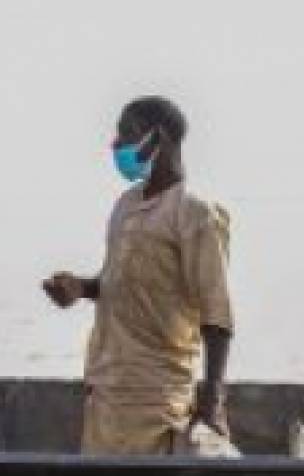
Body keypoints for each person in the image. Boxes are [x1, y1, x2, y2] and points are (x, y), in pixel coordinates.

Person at [42, 96, 235, 455]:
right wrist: (80, 288)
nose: (116, 146)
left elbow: (217, 313)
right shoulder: (125, 205)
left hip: (155, 399)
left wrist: (212, 403)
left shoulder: (195, 213)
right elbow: (118, 281)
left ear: (157, 139)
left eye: (126, 135)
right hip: (104, 393)